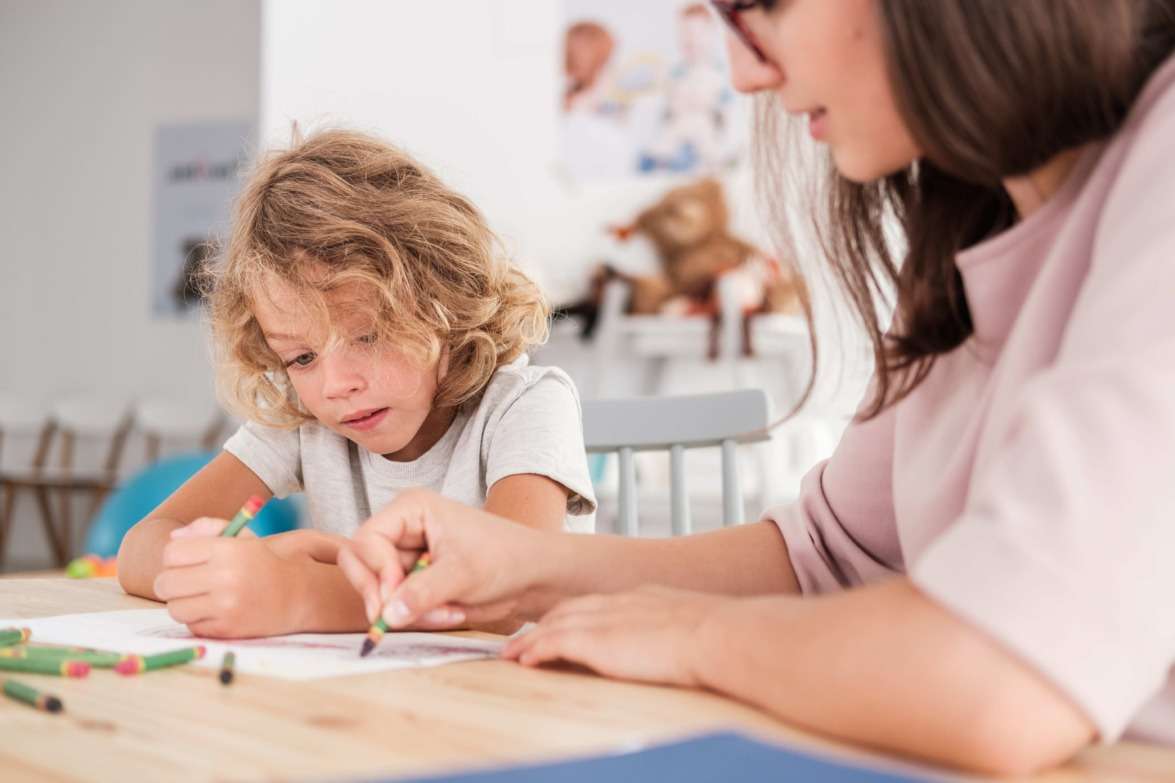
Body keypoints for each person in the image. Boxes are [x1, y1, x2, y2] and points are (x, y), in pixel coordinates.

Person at [338, 0, 1175, 775]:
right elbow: (830, 558)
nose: (744, 74)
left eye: (761, 4)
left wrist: (692, 633)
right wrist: (527, 567)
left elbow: (997, 676)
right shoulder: (969, 220)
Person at [117, 129, 597, 638]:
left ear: (444, 301)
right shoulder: (308, 422)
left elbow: (510, 591)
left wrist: (300, 591)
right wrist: (252, 564)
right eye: (301, 357)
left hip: (518, 702)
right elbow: (140, 548)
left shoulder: (525, 405)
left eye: (367, 336)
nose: (335, 385)